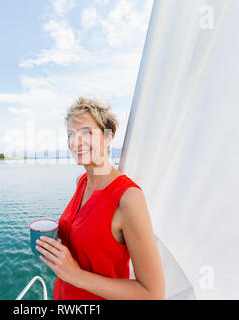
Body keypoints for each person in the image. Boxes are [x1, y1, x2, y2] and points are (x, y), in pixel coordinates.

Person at [36, 96, 165, 300]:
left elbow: (153, 294)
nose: (75, 142)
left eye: (86, 132)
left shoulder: (128, 198)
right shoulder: (82, 182)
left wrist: (76, 275)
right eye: (71, 134)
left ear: (108, 137)